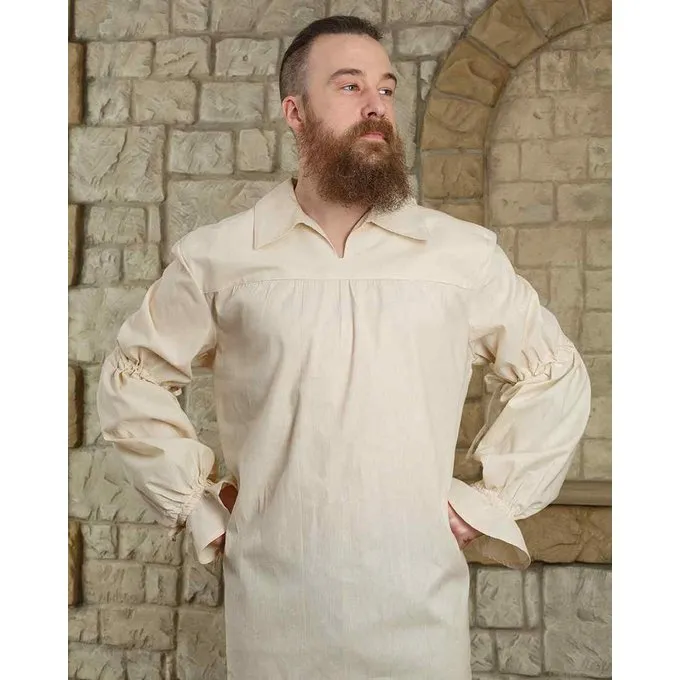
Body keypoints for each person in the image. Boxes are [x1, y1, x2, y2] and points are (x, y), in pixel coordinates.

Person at [97, 15, 591, 679]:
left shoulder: (460, 256)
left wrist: (491, 502)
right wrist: (196, 503)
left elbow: (553, 372)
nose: (376, 106)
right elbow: (133, 376)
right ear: (295, 112)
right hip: (274, 614)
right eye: (350, 86)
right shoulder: (219, 256)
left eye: (386, 89)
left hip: (420, 614)